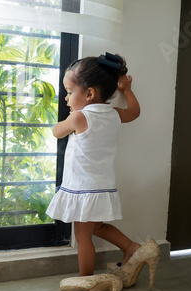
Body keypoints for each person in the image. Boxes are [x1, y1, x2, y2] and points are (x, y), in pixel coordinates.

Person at [46, 52, 150, 277]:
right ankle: (132, 248)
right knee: (97, 228)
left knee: (83, 237)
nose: (66, 98)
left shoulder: (79, 118)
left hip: (83, 189)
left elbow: (56, 131)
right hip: (101, 186)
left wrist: (71, 114)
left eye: (70, 92)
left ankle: (85, 281)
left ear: (89, 93)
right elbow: (134, 112)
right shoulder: (113, 114)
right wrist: (127, 91)